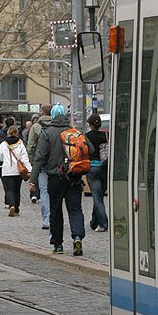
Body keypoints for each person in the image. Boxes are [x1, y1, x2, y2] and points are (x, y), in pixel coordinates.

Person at [29, 104, 86, 256]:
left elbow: (39, 158)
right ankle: (77, 237)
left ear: (53, 117)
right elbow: (90, 149)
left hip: (55, 177)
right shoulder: (75, 132)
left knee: (55, 210)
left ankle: (58, 244)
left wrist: (32, 179)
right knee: (75, 209)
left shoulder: (47, 133)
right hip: (74, 176)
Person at [26, 105, 52, 228]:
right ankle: (55, 217)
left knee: (44, 192)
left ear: (42, 112)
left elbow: (30, 146)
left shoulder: (36, 127)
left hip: (41, 164)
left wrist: (32, 163)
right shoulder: (58, 126)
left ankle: (47, 219)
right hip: (56, 164)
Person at [0, 125, 31, 217]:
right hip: (18, 171)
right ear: (16, 133)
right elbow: (24, 158)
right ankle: (17, 208)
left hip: (7, 170)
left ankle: (11, 205)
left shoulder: (3, 144)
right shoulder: (20, 144)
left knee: (9, 190)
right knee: (17, 189)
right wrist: (30, 170)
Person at [86, 114, 108, 232]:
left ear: (89, 124)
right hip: (105, 168)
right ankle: (94, 222)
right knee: (99, 195)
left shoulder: (87, 137)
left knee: (97, 197)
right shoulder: (105, 135)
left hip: (92, 168)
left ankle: (103, 223)